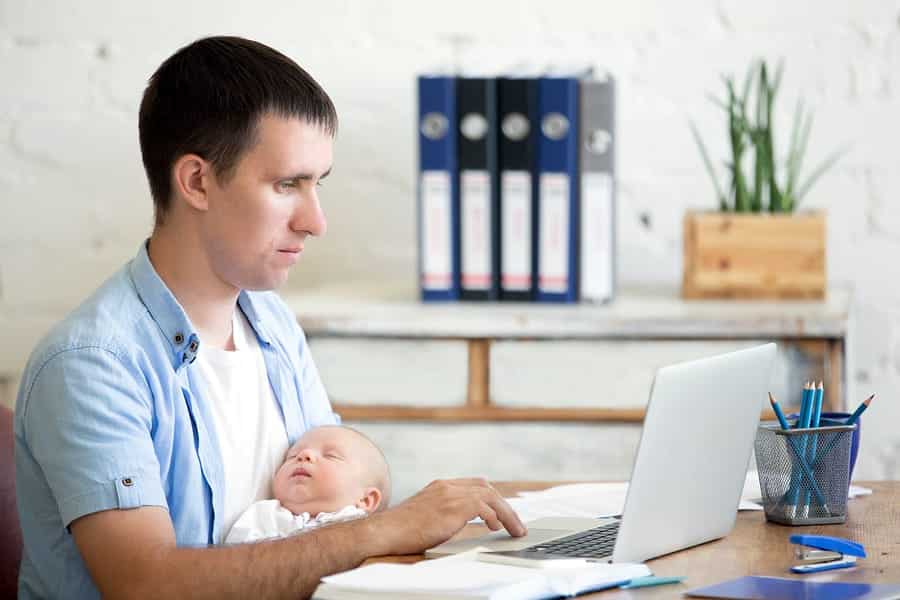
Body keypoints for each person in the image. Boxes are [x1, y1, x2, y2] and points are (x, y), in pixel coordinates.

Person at [13, 35, 525, 599]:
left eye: (317, 184)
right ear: (197, 182)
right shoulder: (93, 365)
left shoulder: (271, 324)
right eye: (287, 185)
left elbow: (332, 515)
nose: (315, 220)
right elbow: (147, 585)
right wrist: (384, 528)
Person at [225, 425, 391, 544]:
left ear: (366, 500)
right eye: (292, 455)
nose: (304, 455)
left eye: (331, 456)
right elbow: (236, 562)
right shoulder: (263, 516)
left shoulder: (362, 529)